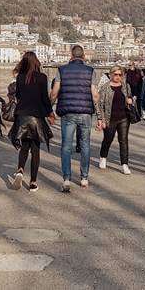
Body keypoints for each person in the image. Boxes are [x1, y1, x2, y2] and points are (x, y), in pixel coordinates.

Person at [50, 45, 99, 192]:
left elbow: (54, 93)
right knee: (85, 145)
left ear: (71, 55)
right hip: (85, 113)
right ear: (83, 56)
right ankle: (84, 178)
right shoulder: (91, 71)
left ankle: (66, 179)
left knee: (66, 146)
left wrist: (49, 109)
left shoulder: (61, 70)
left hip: (68, 112)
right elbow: (95, 95)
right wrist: (100, 115)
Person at [8, 51, 54, 192]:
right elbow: (45, 99)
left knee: (24, 147)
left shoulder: (20, 78)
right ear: (36, 62)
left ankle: (20, 170)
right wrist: (50, 113)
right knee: (35, 150)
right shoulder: (42, 78)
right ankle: (33, 182)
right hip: (36, 117)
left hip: (22, 116)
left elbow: (19, 96)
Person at [97, 65, 135, 175]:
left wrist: (130, 101)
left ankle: (124, 164)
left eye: (120, 75)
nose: (118, 77)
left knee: (123, 141)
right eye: (116, 74)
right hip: (110, 118)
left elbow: (130, 98)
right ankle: (103, 157)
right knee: (108, 139)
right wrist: (101, 119)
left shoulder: (126, 86)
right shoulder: (105, 87)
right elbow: (99, 104)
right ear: (111, 75)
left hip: (124, 118)